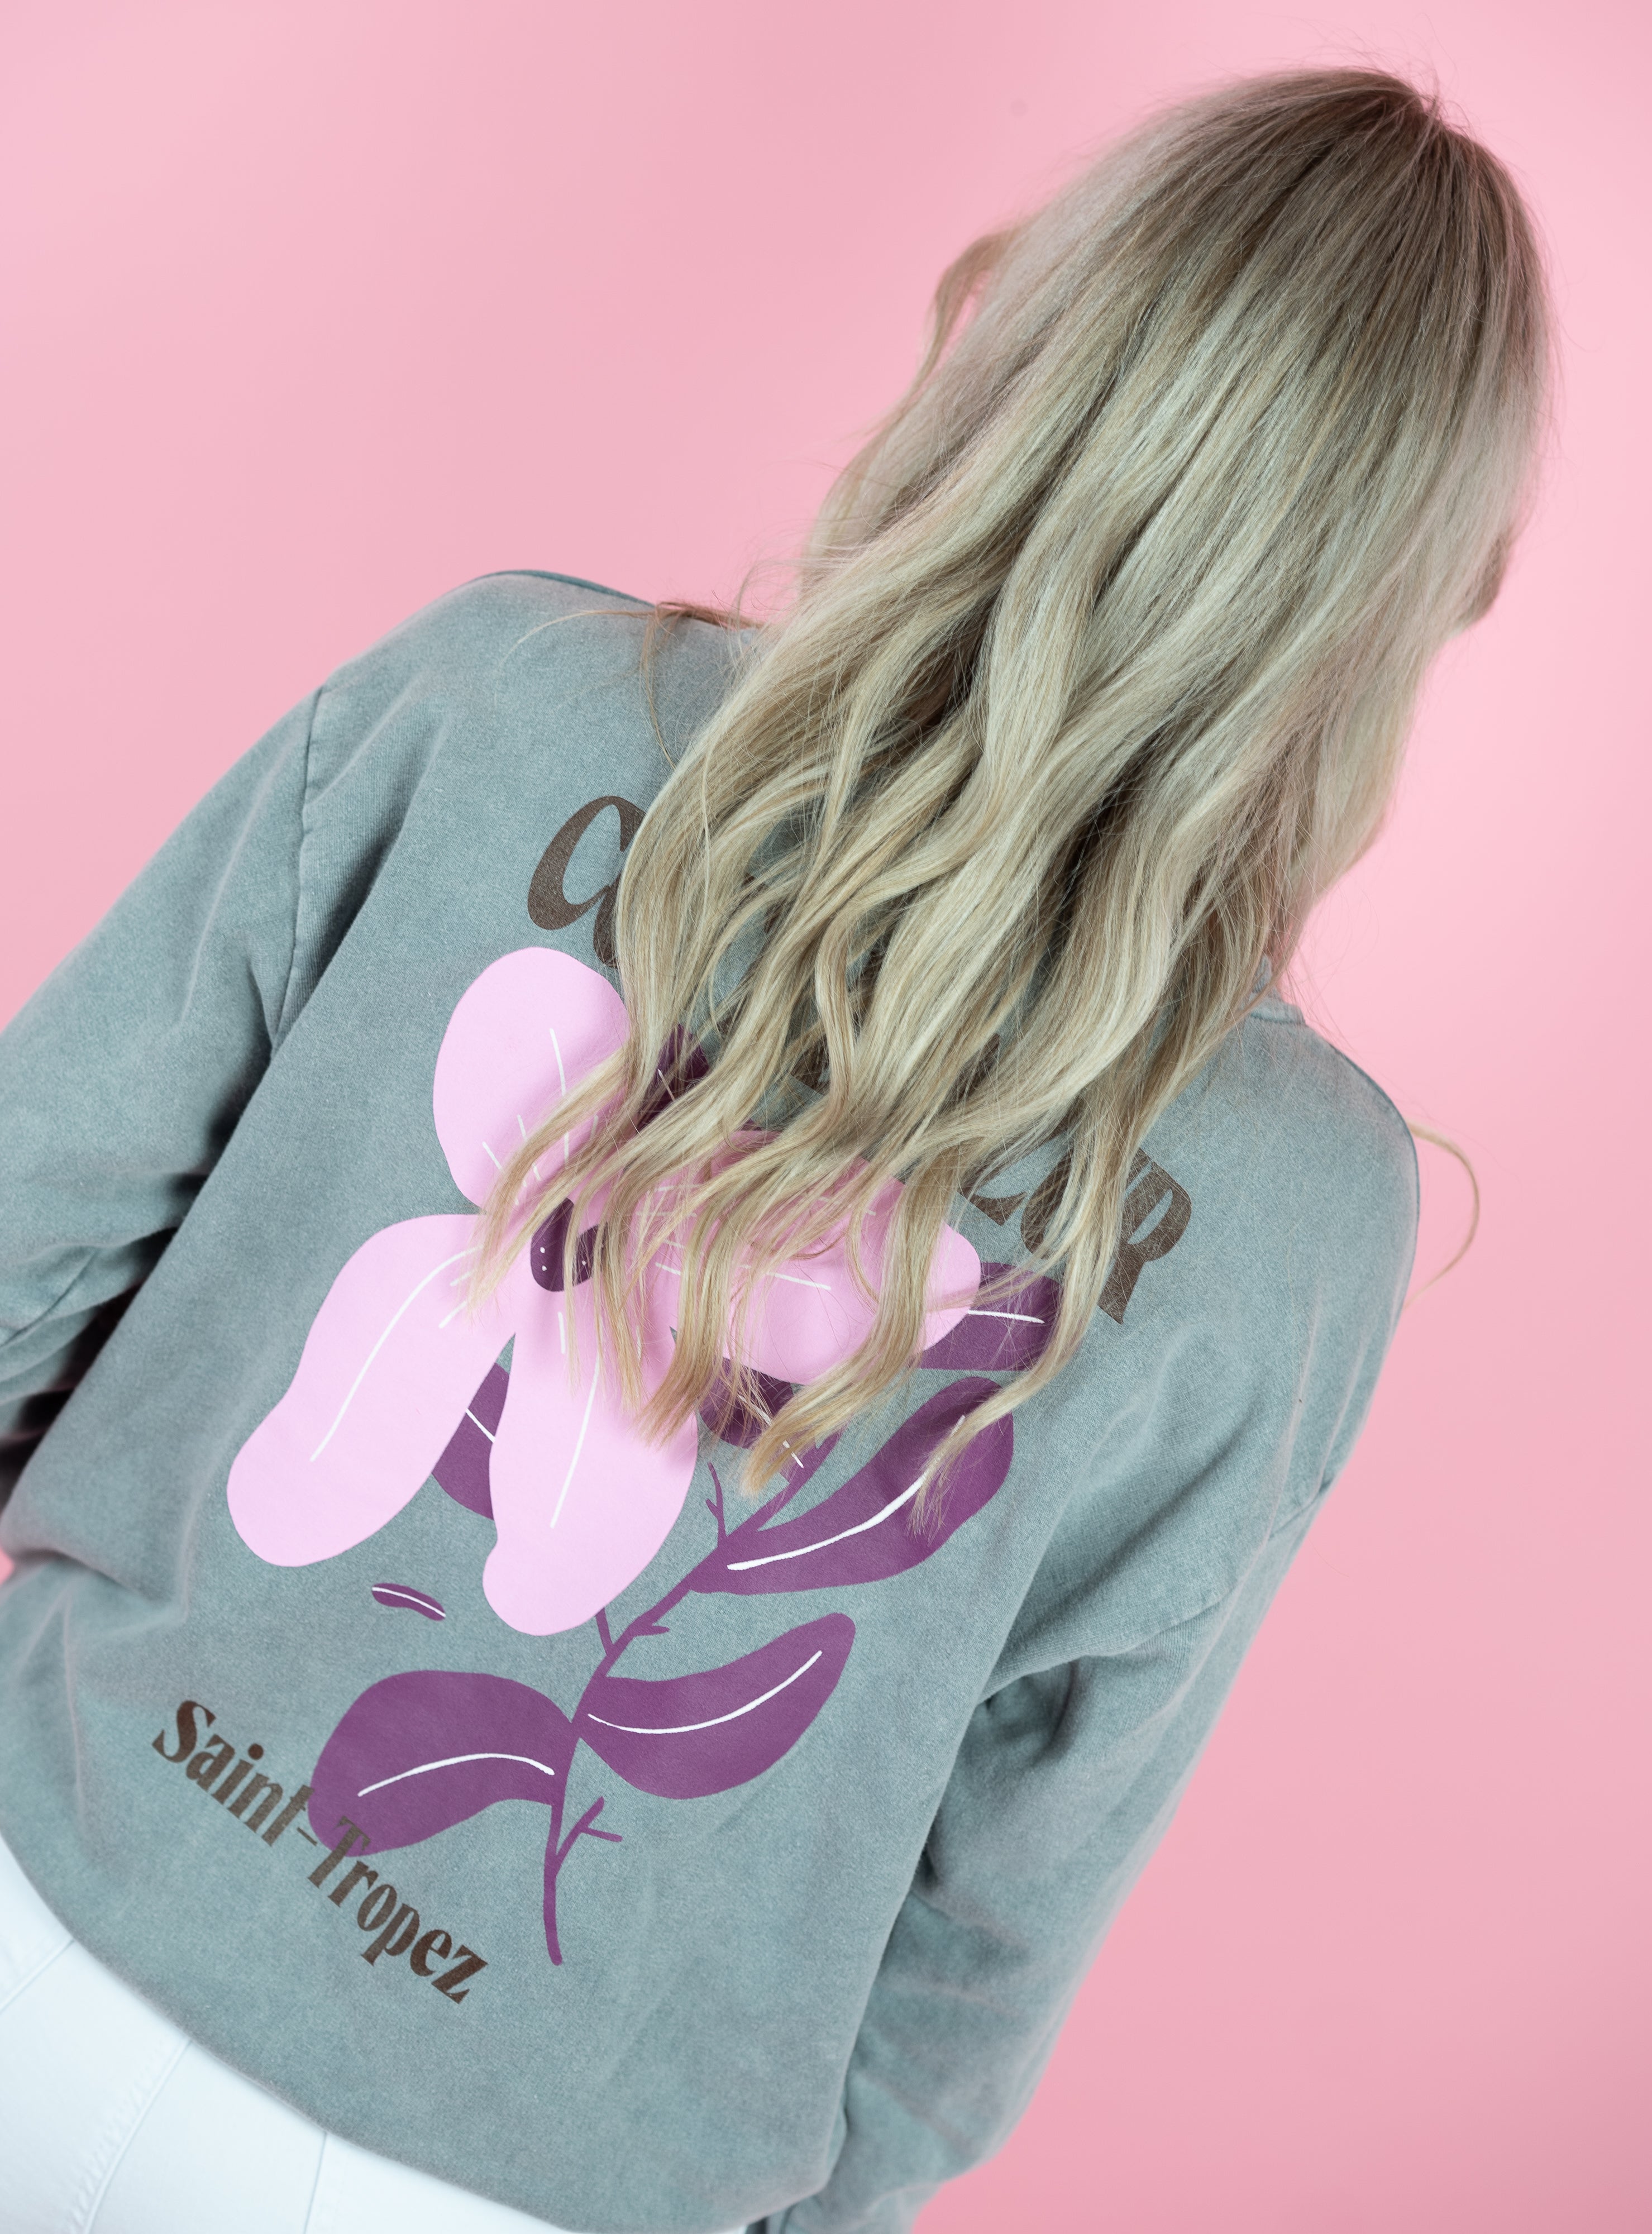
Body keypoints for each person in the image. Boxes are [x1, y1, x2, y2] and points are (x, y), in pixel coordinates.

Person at [0, 65, 1548, 2234]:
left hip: (51, 1913)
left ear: (1015, 330)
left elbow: (30, 1237)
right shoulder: (1305, 1215)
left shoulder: (497, 700)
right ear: (1409, 599)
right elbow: (1006, 1889)